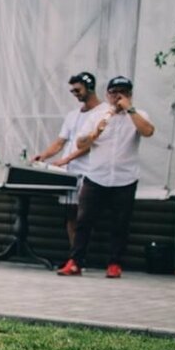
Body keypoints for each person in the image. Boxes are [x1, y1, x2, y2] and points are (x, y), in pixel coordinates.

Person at [56, 75, 155, 278]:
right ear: (107, 94)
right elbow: (81, 144)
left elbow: (148, 131)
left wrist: (130, 109)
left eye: (124, 92)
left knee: (120, 223)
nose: (118, 96)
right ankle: (75, 261)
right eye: (114, 92)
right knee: (84, 221)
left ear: (130, 94)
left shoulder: (138, 114)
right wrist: (94, 135)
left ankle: (115, 263)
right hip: (96, 176)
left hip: (124, 178)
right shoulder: (97, 115)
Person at [32, 71, 103, 248]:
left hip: (90, 173)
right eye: (72, 91)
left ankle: (81, 255)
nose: (75, 94)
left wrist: (65, 159)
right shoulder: (73, 115)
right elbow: (60, 142)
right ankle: (74, 255)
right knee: (71, 215)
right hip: (71, 173)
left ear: (90, 88)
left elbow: (91, 145)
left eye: (78, 90)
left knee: (84, 216)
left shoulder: (103, 113)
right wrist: (43, 156)